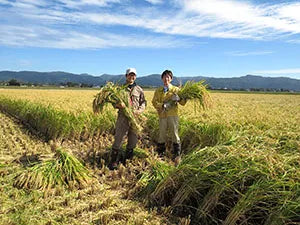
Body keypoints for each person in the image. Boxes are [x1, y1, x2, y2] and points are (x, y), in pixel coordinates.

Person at [109, 68, 146, 170]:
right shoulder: (120, 89)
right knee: (119, 138)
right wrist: (118, 105)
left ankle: (127, 160)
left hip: (135, 118)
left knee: (133, 140)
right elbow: (113, 102)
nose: (131, 77)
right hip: (123, 117)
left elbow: (143, 102)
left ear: (135, 77)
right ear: (126, 76)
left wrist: (139, 111)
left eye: (133, 75)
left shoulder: (139, 89)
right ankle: (114, 161)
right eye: (130, 75)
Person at [152, 69, 186, 162]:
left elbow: (183, 102)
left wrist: (178, 99)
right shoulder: (158, 90)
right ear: (162, 78)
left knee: (174, 133)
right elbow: (154, 102)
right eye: (164, 77)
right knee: (161, 134)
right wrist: (162, 105)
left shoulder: (176, 89)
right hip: (162, 115)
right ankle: (161, 153)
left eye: (168, 77)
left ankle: (177, 154)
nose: (166, 79)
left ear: (171, 79)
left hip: (172, 115)